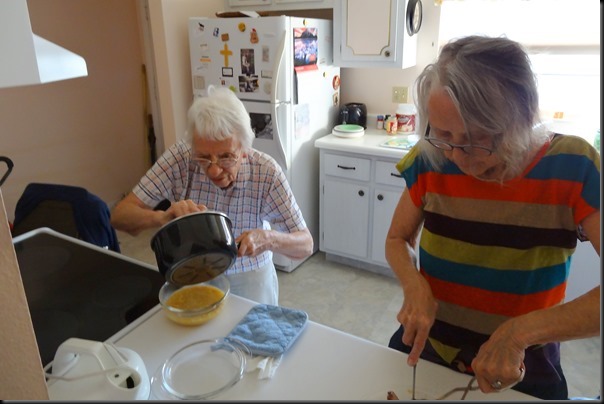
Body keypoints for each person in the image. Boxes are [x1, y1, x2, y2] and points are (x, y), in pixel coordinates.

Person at [385, 35, 600, 400]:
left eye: (476, 139)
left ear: (521, 118)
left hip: (523, 361)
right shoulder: (429, 158)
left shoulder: (573, 165)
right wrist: (413, 284)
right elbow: (397, 239)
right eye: (443, 134)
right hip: (433, 346)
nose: (457, 156)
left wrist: (519, 333)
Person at [111, 85, 313, 305]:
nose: (214, 170)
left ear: (245, 150)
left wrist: (269, 238)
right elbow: (120, 216)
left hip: (249, 277)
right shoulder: (181, 157)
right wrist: (161, 217)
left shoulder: (267, 172)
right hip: (192, 272)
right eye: (203, 158)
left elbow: (305, 244)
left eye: (226, 157)